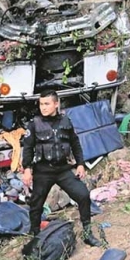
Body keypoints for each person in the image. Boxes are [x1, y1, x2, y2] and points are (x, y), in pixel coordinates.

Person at [21, 90, 101, 247]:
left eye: (47, 104)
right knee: (36, 204)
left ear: (56, 104)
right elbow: (28, 147)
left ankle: (87, 233)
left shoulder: (66, 121)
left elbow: (75, 143)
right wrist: (27, 169)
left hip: (63, 170)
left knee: (83, 195)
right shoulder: (34, 124)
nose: (43, 107)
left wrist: (80, 164)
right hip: (43, 171)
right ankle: (35, 236)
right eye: (41, 104)